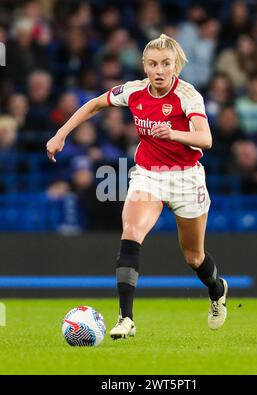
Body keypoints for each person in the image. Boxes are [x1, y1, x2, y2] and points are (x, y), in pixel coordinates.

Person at [46, 34, 228, 339]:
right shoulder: (133, 91)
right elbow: (93, 105)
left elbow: (205, 139)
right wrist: (61, 134)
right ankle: (126, 319)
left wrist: (174, 134)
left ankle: (217, 289)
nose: (159, 70)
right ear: (144, 65)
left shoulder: (188, 95)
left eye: (166, 64)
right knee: (131, 233)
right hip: (148, 175)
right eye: (153, 64)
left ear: (175, 67)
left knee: (194, 257)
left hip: (186, 177)